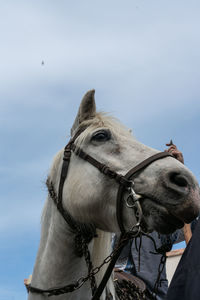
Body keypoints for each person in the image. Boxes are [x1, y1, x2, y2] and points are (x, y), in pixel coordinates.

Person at [114, 142, 185, 300]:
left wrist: (180, 170)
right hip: (117, 287)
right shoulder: (116, 217)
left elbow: (190, 225)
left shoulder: (161, 229)